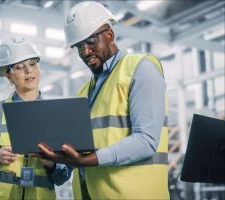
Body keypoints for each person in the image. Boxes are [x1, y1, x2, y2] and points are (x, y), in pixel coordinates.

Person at [34, 1, 169, 199]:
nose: (85, 52)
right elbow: (79, 155)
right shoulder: (82, 92)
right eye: (79, 46)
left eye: (90, 42)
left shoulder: (140, 69)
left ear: (109, 35)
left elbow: (146, 141)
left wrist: (87, 160)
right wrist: (57, 163)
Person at [0, 37, 71, 200]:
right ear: (8, 75)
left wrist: (52, 164)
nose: (29, 71)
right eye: (20, 67)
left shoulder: (56, 115)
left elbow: (63, 177)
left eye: (33, 64)